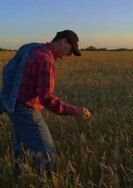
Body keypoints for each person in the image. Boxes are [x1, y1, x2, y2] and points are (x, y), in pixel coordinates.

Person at [0, 30, 91, 177]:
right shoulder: (46, 61)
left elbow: (12, 71)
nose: (69, 56)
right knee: (48, 155)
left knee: (23, 150)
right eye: (71, 51)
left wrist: (5, 98)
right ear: (63, 41)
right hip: (25, 109)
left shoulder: (32, 48)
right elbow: (47, 98)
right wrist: (76, 111)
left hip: (13, 104)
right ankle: (47, 180)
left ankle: (17, 177)